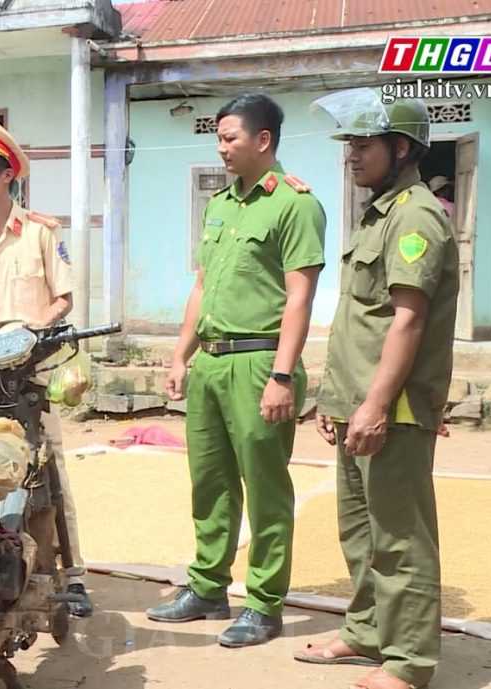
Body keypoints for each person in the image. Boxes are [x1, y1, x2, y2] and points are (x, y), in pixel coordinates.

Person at [145, 93, 326, 648]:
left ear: (262, 140)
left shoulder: (295, 205)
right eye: (218, 139)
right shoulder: (220, 205)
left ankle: (264, 604)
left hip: (258, 361)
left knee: (265, 487)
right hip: (212, 361)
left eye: (230, 138)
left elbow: (300, 297)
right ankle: (207, 588)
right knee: (210, 482)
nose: (221, 148)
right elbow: (202, 286)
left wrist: (282, 375)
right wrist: (181, 355)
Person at [296, 89, 458, 689]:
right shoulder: (378, 214)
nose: (352, 155)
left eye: (364, 145)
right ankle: (367, 630)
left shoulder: (415, 217)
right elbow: (360, 321)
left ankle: (410, 661)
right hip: (357, 401)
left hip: (393, 407)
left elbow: (407, 320)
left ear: (403, 148)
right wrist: (335, 399)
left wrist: (374, 404)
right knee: (361, 532)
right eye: (350, 145)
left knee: (400, 537)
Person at [0, 116, 93, 618]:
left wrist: (36, 331)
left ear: (8, 175)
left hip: (29, 376)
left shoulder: (42, 232)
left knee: (48, 471)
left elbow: (64, 298)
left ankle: (71, 575)